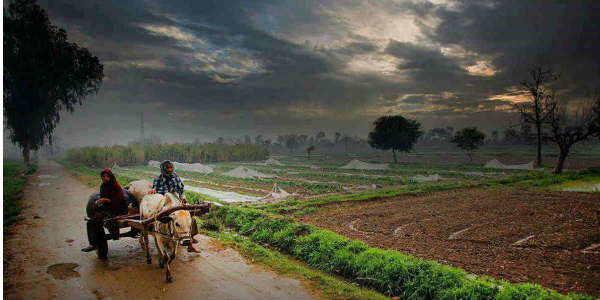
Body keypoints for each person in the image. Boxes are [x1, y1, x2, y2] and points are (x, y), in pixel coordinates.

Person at [148, 160, 201, 253]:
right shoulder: (158, 178)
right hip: (163, 200)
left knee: (188, 216)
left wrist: (183, 198)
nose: (169, 169)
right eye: (167, 168)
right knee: (165, 219)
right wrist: (152, 191)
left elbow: (181, 190)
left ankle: (190, 240)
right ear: (163, 169)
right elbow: (155, 190)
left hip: (175, 199)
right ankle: (166, 237)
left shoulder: (175, 176)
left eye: (171, 167)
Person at [81, 168, 135, 257]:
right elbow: (103, 197)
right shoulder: (103, 186)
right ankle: (93, 244)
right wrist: (101, 201)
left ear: (111, 177)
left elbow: (120, 200)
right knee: (92, 222)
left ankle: (95, 243)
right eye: (103, 176)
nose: (105, 178)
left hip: (119, 209)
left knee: (97, 221)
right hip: (108, 208)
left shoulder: (116, 186)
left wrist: (107, 200)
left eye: (107, 176)